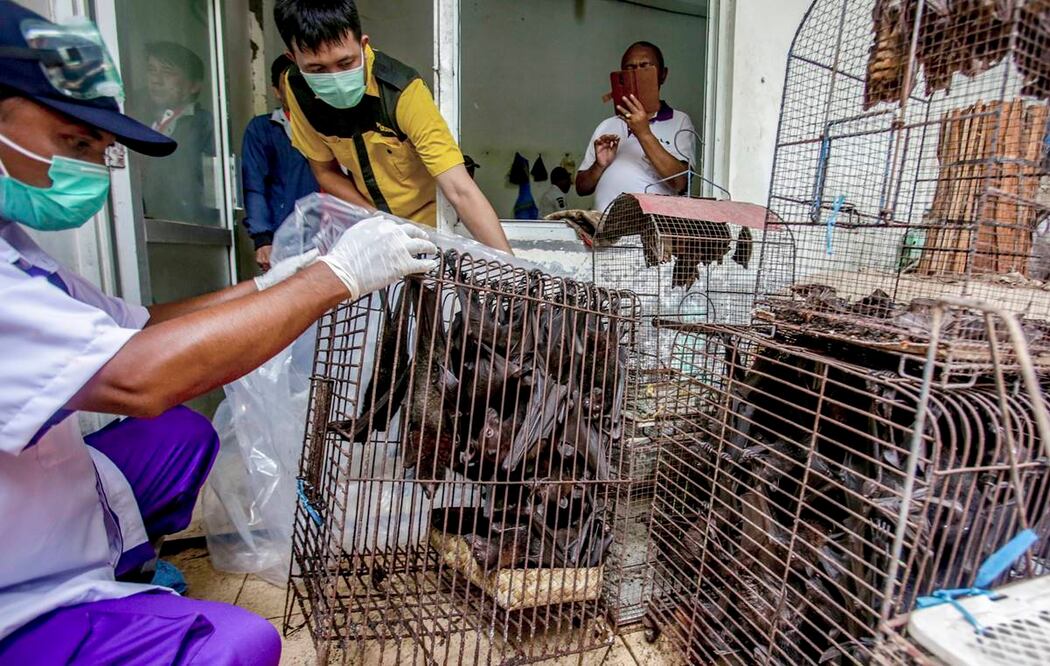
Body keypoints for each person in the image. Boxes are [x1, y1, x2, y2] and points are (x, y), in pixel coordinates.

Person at [0, 3, 437, 664]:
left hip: (44, 498)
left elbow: (138, 328)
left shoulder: (16, 248)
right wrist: (332, 279)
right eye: (76, 143)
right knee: (237, 645)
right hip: (16, 580)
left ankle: (121, 567)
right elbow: (137, 376)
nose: (95, 166)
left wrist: (275, 283)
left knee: (183, 433)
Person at [274, 0, 513, 253]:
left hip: (434, 230)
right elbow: (324, 171)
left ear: (363, 44)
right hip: (375, 228)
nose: (335, 77)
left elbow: (459, 189)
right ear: (293, 59)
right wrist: (377, 222)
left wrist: (514, 271)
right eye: (317, 69)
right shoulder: (297, 90)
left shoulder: (401, 91)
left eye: (345, 64)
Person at [575, 41, 696, 213]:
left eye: (645, 67)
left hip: (649, 233)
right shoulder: (607, 125)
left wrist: (644, 133)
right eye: (629, 68)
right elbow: (581, 188)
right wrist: (599, 165)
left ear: (663, 75)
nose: (636, 74)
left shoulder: (680, 121)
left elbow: (681, 183)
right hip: (603, 229)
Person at [242, 54, 320, 271]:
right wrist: (262, 239)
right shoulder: (263, 130)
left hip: (336, 234)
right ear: (277, 91)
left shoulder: (337, 127)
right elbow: (254, 186)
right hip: (286, 239)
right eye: (290, 83)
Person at [140, 40, 215, 223]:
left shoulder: (204, 124)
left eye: (167, 72)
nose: (156, 80)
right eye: (151, 70)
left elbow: (215, 192)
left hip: (189, 230)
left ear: (194, 86)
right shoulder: (141, 120)